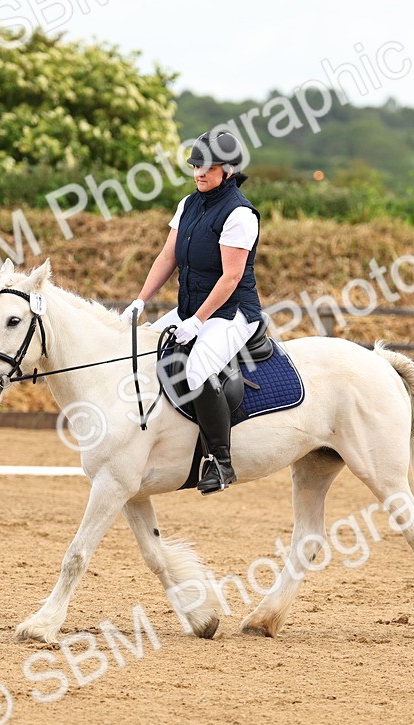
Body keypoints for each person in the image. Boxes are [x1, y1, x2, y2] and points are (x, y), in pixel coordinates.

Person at [120, 130, 263, 494]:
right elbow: (168, 257)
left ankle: (220, 461)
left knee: (198, 369)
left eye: (207, 167)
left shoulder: (240, 214)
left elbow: (231, 277)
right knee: (144, 343)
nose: (198, 172)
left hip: (231, 314)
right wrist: (141, 300)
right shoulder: (187, 204)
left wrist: (198, 322)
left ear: (228, 170)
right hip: (189, 310)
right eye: (195, 165)